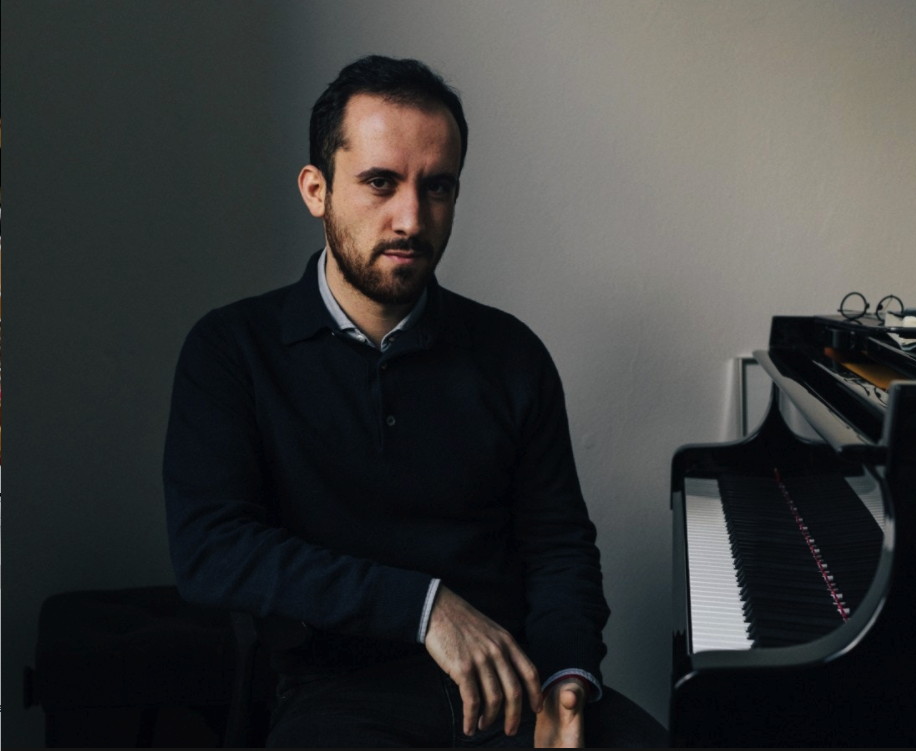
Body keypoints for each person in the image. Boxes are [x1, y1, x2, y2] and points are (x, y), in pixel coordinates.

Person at [163, 54, 669, 748]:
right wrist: (425, 607)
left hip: (514, 685)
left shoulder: (511, 353)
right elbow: (212, 549)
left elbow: (558, 547)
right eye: (380, 182)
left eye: (437, 187)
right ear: (317, 189)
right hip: (337, 696)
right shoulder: (231, 349)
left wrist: (568, 677)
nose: (411, 218)